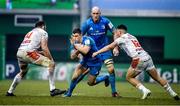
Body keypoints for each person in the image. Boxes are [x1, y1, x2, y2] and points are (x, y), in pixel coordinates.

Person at [92, 24, 180, 100]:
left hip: (138, 59)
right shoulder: (132, 36)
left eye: (116, 32)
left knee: (129, 77)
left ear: (119, 32)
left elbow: (109, 47)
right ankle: (173, 93)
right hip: (147, 57)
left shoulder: (121, 38)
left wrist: (97, 52)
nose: (116, 34)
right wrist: (117, 49)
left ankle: (145, 90)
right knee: (157, 77)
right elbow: (125, 45)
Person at [6, 21, 66, 97]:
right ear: (43, 26)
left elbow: (31, 46)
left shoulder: (30, 32)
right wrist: (51, 59)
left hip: (19, 53)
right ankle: (53, 90)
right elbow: (44, 47)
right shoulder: (43, 32)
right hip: (28, 53)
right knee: (51, 64)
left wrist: (40, 53)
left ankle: (10, 91)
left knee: (23, 72)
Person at [81, 6, 119, 97]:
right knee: (90, 82)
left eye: (97, 13)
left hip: (105, 49)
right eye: (94, 13)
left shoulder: (106, 21)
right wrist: (80, 50)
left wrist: (116, 47)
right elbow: (79, 37)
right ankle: (105, 77)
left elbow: (115, 32)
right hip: (93, 52)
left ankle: (114, 92)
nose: (95, 15)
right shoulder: (87, 24)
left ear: (100, 13)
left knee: (111, 69)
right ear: (91, 14)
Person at [64, 28, 109, 97]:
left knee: (90, 83)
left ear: (81, 35)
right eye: (73, 36)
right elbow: (72, 56)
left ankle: (105, 77)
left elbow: (85, 51)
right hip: (85, 61)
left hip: (96, 61)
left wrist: (76, 46)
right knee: (74, 77)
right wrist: (76, 47)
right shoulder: (74, 43)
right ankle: (69, 93)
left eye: (76, 36)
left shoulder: (87, 40)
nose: (75, 38)